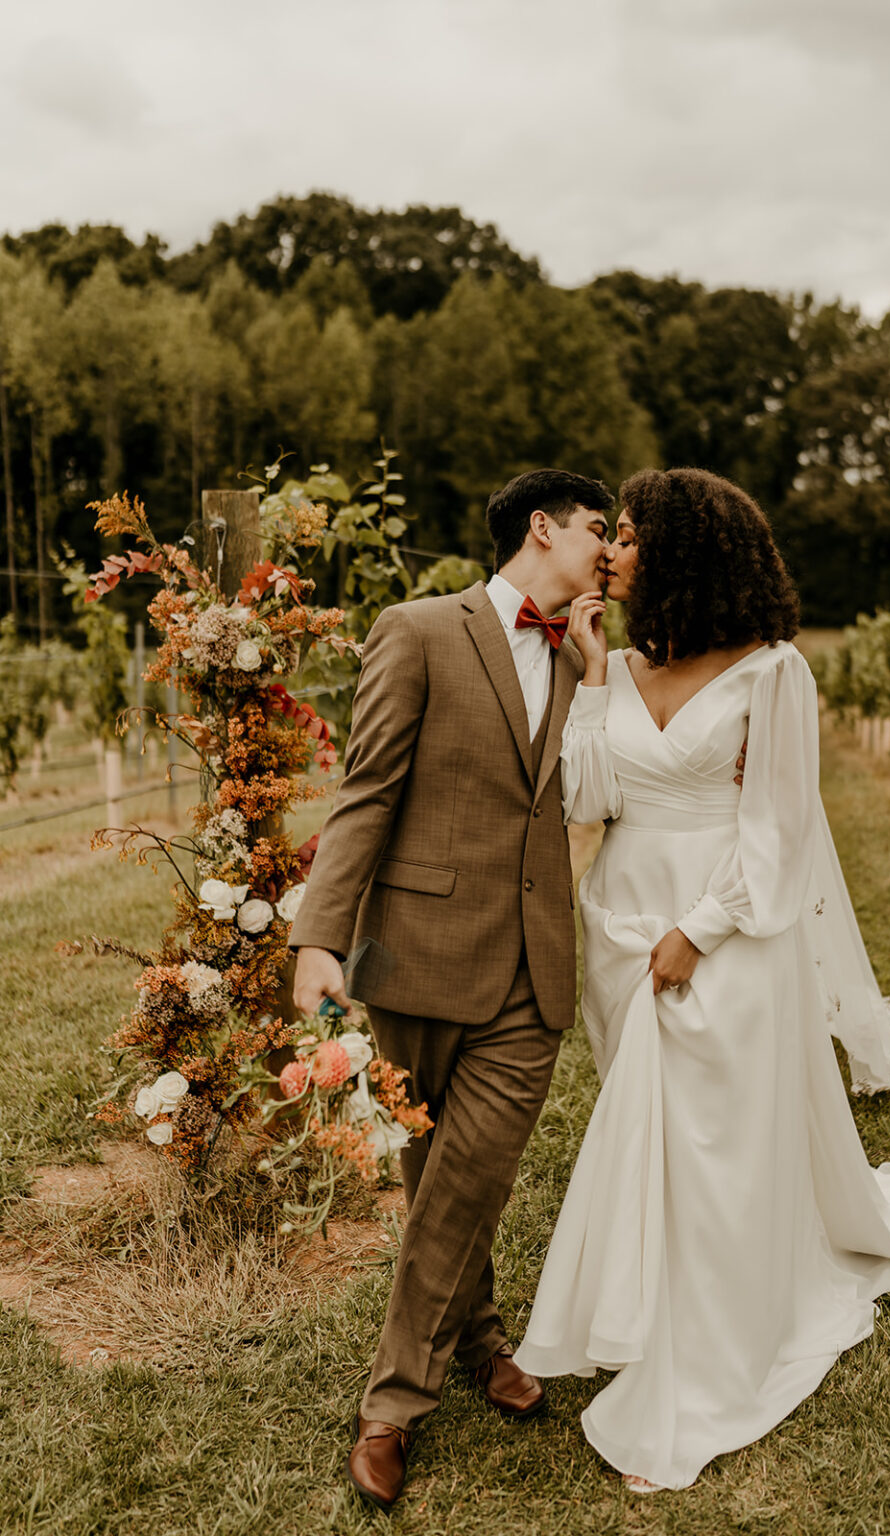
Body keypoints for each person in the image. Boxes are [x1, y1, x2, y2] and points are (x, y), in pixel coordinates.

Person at [514, 467, 890, 1493]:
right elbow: (588, 799)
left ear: (685, 551)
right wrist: (588, 676)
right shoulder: (613, 667)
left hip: (728, 930)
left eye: (628, 535)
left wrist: (700, 931)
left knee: (713, 1144)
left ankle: (699, 1358)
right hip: (622, 924)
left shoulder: (771, 673)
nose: (609, 550)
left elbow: (780, 834)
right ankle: (645, 1309)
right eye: (610, 534)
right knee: (653, 1141)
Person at [288, 468, 615, 1513]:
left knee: (469, 1179)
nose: (608, 549)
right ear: (542, 528)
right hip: (410, 953)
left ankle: (391, 1405)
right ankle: (477, 1337)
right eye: (597, 530)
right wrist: (318, 940)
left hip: (535, 964)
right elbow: (367, 788)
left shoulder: (590, 658)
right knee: (434, 1174)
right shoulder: (420, 628)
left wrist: (602, 680)